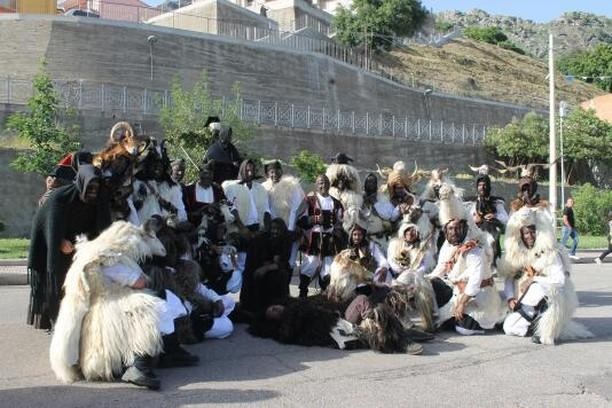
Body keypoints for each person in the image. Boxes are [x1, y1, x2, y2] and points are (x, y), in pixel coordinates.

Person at [27, 165, 112, 330]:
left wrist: (92, 244)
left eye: (96, 187)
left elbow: (103, 228)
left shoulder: (100, 201)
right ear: (81, 183)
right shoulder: (61, 198)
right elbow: (45, 223)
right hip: (58, 248)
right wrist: (58, 241)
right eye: (90, 187)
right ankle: (55, 323)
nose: (93, 191)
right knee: (57, 284)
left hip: (82, 248)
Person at [498, 207, 593, 345]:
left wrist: (533, 279)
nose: (529, 236)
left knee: (538, 287)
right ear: (520, 235)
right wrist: (510, 297)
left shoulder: (551, 253)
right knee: (509, 327)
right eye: (525, 233)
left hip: (552, 300)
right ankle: (534, 325)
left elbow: (559, 280)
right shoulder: (519, 254)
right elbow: (509, 278)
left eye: (532, 232)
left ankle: (546, 329)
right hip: (526, 304)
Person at [427, 184, 504, 335]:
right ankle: (450, 315)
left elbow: (475, 281)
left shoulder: (474, 248)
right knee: (432, 285)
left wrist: (462, 303)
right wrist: (423, 281)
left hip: (479, 297)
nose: (454, 232)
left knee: (464, 328)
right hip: (458, 291)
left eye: (457, 228)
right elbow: (440, 269)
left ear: (464, 228)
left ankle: (465, 317)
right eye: (450, 229)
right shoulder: (447, 246)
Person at [222, 159, 271, 292]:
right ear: (242, 170)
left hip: (257, 228)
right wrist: (242, 228)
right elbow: (232, 209)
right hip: (240, 229)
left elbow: (266, 210)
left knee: (253, 263)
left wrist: (266, 228)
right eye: (247, 170)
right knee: (240, 261)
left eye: (252, 170)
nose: (250, 172)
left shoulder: (260, 189)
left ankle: (249, 292)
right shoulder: (233, 188)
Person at [296, 174, 345, 297]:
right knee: (310, 265)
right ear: (316, 185)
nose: (323, 185)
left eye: (325, 182)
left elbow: (340, 223)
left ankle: (324, 296)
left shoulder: (336, 203)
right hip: (313, 240)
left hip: (330, 241)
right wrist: (315, 219)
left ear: (329, 184)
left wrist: (336, 234)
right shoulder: (310, 200)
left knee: (328, 270)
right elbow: (300, 220)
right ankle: (303, 294)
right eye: (320, 183)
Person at [239, 218, 292, 319]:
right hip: (260, 267)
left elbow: (283, 262)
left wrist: (267, 268)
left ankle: (279, 307)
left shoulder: (286, 239)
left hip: (276, 270)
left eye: (277, 229)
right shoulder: (263, 239)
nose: (274, 231)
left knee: (282, 275)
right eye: (272, 228)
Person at [261, 160, 305, 270]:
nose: (274, 174)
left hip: (289, 230)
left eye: (277, 171)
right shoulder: (264, 188)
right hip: (272, 231)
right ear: (268, 174)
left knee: (288, 261)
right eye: (271, 172)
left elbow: (295, 209)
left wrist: (290, 230)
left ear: (281, 171)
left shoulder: (291, 186)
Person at [467, 173, 508, 263]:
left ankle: (494, 264)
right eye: (480, 185)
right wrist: (474, 219)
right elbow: (468, 218)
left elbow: (505, 218)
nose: (482, 187)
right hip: (476, 232)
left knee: (491, 242)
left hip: (492, 230)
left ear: (488, 186)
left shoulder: (496, 202)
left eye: (484, 185)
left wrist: (495, 216)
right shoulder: (471, 203)